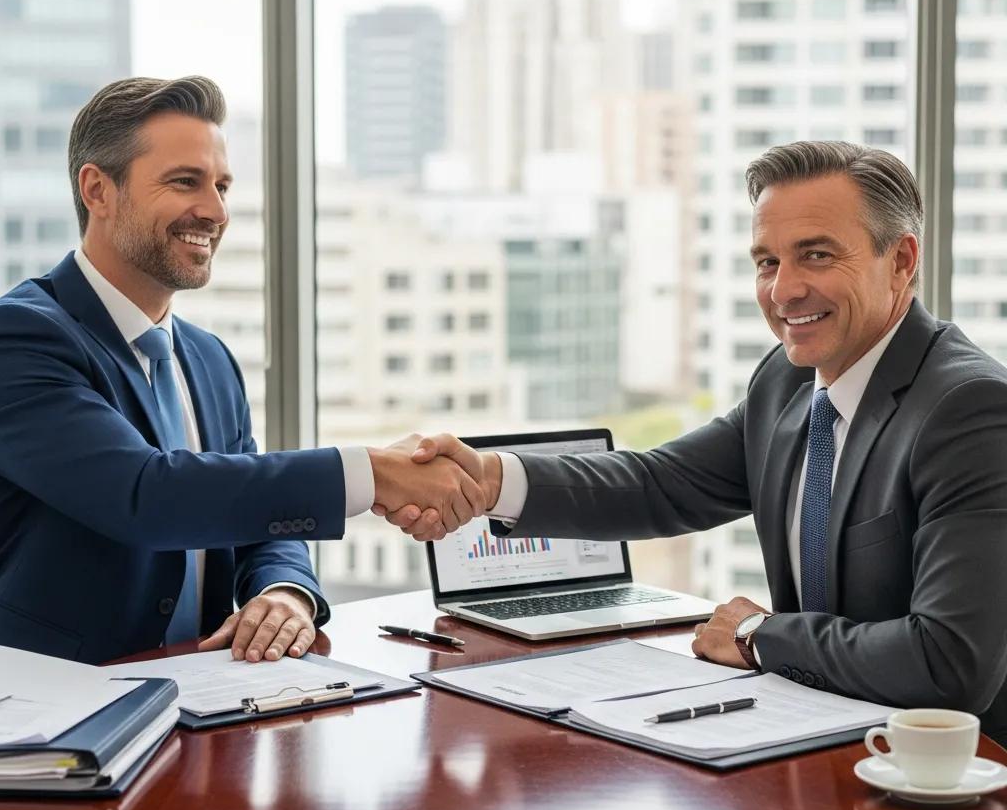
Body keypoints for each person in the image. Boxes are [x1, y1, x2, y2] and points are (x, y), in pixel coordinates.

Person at [381, 141, 1007, 746]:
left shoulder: (969, 411)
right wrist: (490, 480)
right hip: (819, 746)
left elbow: (948, 662)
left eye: (816, 255)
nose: (783, 290)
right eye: (767, 261)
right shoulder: (789, 380)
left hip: (954, 787)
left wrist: (760, 636)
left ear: (901, 260)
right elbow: (662, 486)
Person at [0, 75, 484, 666]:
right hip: (54, 710)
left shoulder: (209, 359)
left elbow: (256, 518)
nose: (215, 211)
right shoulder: (16, 339)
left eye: (222, 186)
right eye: (184, 182)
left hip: (208, 699)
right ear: (98, 190)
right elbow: (146, 496)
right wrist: (374, 472)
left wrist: (285, 593)